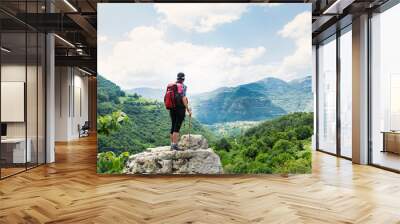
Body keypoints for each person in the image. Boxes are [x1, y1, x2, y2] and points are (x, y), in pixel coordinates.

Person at [170, 72, 192, 150]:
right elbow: (183, 98)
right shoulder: (183, 86)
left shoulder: (172, 86)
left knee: (173, 125)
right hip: (180, 109)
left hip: (172, 108)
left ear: (177, 78)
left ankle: (172, 144)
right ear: (183, 79)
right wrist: (188, 109)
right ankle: (175, 145)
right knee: (177, 126)